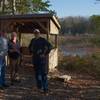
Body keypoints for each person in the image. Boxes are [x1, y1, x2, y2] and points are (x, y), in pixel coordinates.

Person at [29, 29, 52, 94]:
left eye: (37, 33)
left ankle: (45, 89)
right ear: (34, 34)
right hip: (35, 60)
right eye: (35, 33)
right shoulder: (32, 40)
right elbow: (29, 47)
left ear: (39, 33)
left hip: (41, 60)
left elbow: (50, 46)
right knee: (37, 74)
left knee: (43, 74)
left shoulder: (43, 40)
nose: (36, 34)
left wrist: (44, 54)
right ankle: (39, 87)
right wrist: (31, 52)